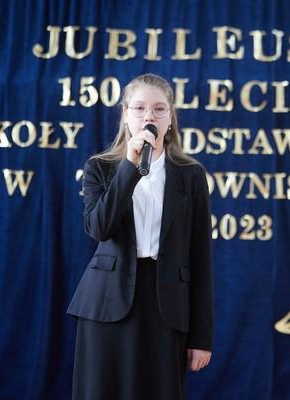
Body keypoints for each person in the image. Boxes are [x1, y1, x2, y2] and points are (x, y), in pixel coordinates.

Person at [67, 73, 214, 400]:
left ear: (171, 117)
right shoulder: (100, 168)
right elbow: (99, 228)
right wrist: (129, 168)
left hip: (167, 305)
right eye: (140, 108)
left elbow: (201, 257)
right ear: (126, 115)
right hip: (108, 301)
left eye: (159, 109)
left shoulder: (191, 175)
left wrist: (202, 337)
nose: (150, 116)